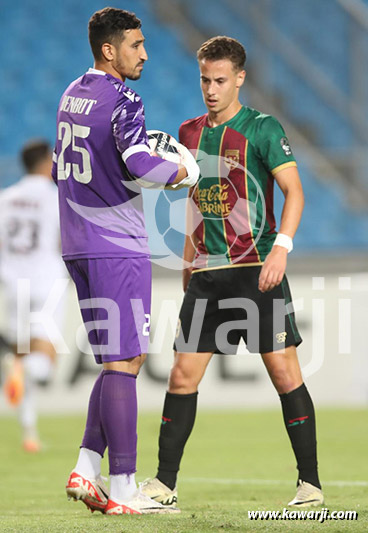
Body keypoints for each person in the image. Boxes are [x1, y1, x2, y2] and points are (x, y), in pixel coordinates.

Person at [141, 36, 324, 509]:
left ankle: (309, 485)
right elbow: (194, 203)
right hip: (207, 274)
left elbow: (295, 191)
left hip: (257, 270)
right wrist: (187, 258)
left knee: (284, 374)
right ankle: (164, 485)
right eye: (205, 79)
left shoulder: (263, 129)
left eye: (220, 80)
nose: (211, 88)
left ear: (240, 78)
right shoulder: (188, 132)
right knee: (182, 376)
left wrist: (281, 250)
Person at [52, 7, 199, 516]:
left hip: (77, 242)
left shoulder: (71, 93)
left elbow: (58, 167)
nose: (146, 53)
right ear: (109, 50)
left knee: (120, 360)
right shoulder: (123, 96)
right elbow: (139, 162)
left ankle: (86, 468)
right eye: (136, 45)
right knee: (125, 360)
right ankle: (124, 489)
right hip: (117, 244)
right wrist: (181, 172)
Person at [0, 139, 65, 452]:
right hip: (46, 281)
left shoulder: (6, 197)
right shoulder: (55, 198)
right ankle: (24, 371)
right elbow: (66, 239)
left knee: (21, 354)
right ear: (43, 163)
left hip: (14, 285)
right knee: (45, 358)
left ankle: (29, 433)